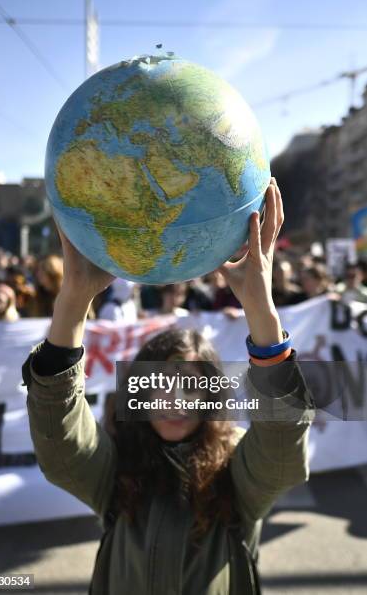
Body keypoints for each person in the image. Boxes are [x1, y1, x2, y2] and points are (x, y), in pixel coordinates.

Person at [22, 179, 314, 595]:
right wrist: (72, 300)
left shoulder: (237, 476)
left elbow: (284, 439)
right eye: (160, 385)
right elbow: (59, 441)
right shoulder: (117, 468)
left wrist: (259, 308)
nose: (175, 401)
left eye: (192, 388)